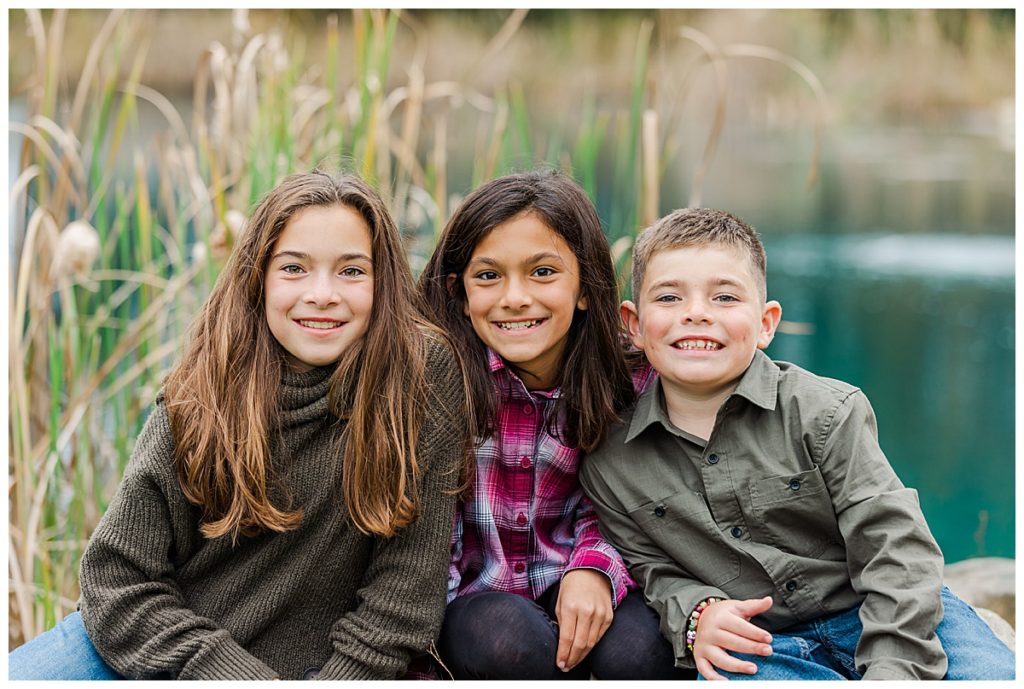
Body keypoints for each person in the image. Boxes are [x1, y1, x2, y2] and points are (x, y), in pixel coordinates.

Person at [9, 170, 468, 680]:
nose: (322, 294)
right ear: (259, 277)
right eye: (294, 268)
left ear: (382, 280)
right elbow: (117, 575)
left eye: (351, 271)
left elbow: (403, 597)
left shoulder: (421, 373)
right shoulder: (205, 387)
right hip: (154, 647)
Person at [579, 207, 1016, 681]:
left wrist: (894, 669)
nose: (697, 313)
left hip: (885, 613)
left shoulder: (825, 413)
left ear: (766, 323)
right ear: (634, 324)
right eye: (669, 297)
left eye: (725, 297)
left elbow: (895, 546)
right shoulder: (612, 457)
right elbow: (653, 570)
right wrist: (696, 614)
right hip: (764, 644)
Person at [416, 169, 688, 680]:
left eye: (543, 272)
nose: (515, 297)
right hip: (471, 601)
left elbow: (634, 505)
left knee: (639, 652)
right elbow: (427, 536)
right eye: (489, 276)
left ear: (585, 287)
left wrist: (595, 567)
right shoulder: (435, 380)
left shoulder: (632, 380)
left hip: (585, 580)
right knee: (510, 643)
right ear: (459, 293)